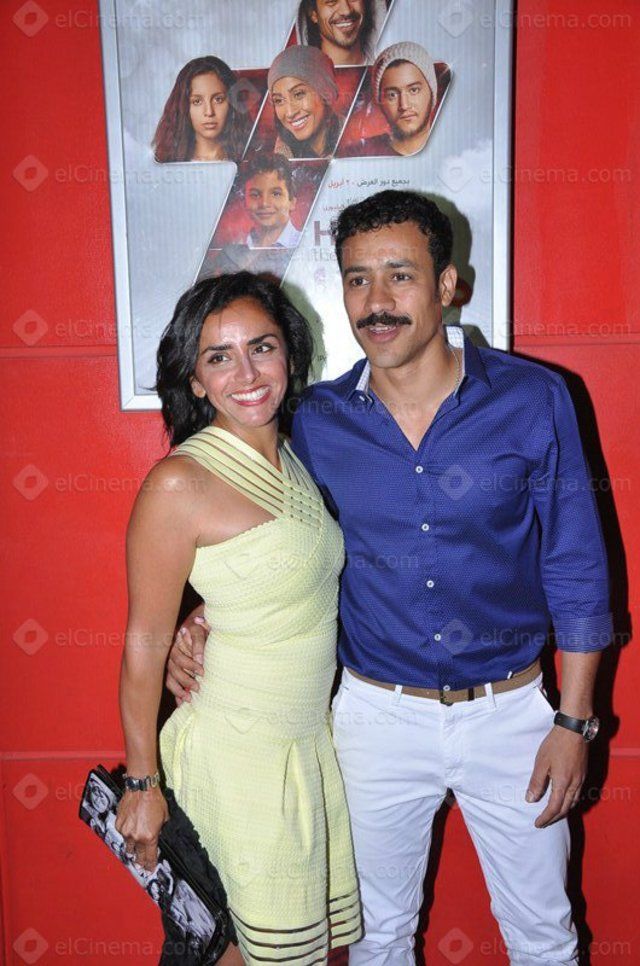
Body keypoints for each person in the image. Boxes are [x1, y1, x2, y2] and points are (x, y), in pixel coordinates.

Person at [168, 191, 612, 964]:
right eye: (357, 279)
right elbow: (273, 540)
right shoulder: (314, 421)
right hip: (374, 719)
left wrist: (573, 724)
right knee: (376, 942)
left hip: (512, 717)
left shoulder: (534, 399)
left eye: (400, 275)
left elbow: (576, 567)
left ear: (449, 285)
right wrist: (202, 617)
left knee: (545, 937)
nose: (377, 301)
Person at [115, 271, 361, 965]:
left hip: (306, 748)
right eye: (219, 357)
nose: (247, 374)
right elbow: (143, 644)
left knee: (316, 951)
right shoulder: (179, 482)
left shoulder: (294, 459)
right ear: (195, 380)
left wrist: (205, 619)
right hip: (234, 757)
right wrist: (141, 783)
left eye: (262, 347)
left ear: (290, 353)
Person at [153, 56, 251, 163]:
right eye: (197, 101)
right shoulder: (167, 163)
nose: (209, 112)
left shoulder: (248, 161)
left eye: (218, 99)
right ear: (183, 106)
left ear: (233, 104)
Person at [362, 42, 439, 157]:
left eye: (414, 90)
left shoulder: (454, 147)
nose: (404, 105)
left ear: (432, 92)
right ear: (380, 101)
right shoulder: (363, 151)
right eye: (392, 95)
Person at [268, 45, 344, 159]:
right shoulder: (281, 156)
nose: (290, 113)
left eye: (299, 94)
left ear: (325, 92)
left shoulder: (354, 136)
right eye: (278, 100)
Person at [296, 0, 389, 66]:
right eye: (331, 1)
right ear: (313, 14)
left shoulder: (388, 75)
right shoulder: (304, 82)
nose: (346, 11)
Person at [241, 154, 302, 249]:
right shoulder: (234, 247)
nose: (264, 203)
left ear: (292, 202)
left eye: (276, 194)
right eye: (255, 195)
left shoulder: (306, 245)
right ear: (244, 202)